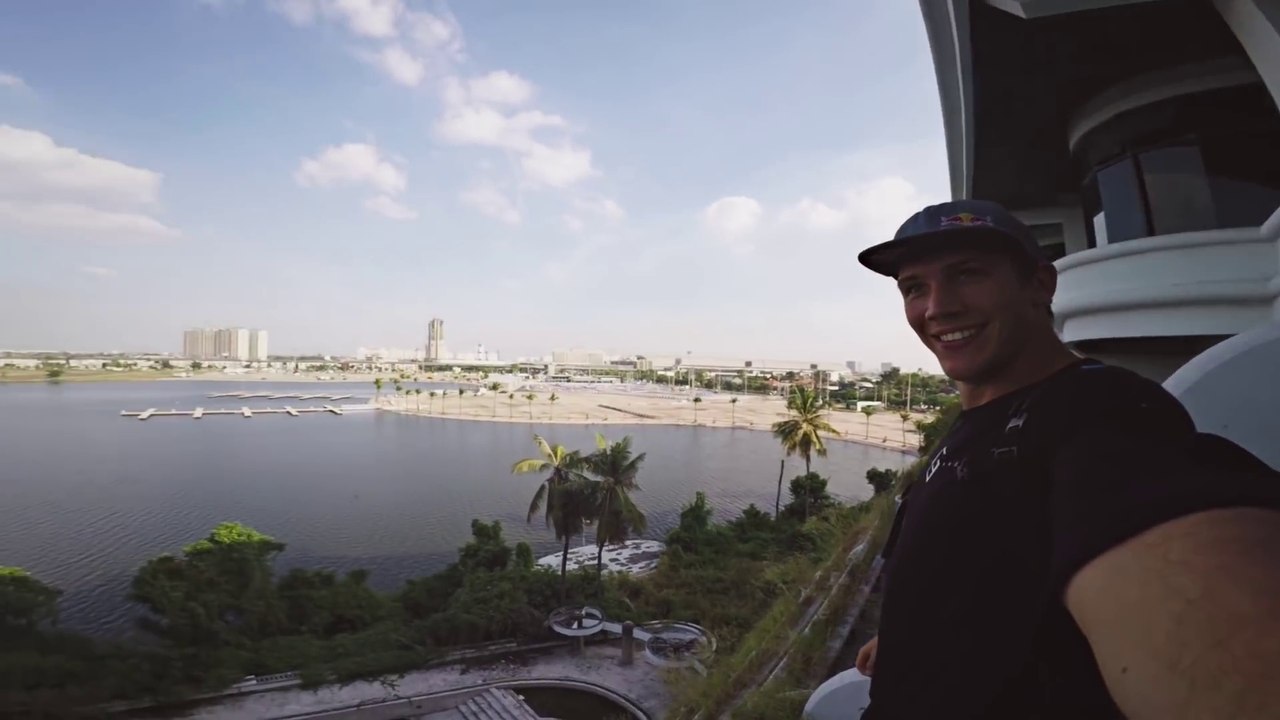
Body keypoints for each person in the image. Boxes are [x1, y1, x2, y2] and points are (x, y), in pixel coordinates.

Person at [851, 199, 1280, 719]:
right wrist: (904, 639)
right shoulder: (977, 418)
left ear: (1040, 284)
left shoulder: (1100, 411)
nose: (938, 307)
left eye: (967, 275)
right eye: (915, 287)